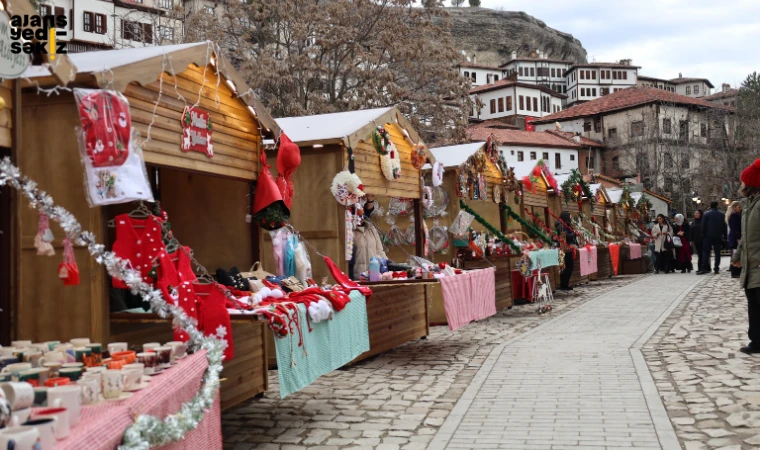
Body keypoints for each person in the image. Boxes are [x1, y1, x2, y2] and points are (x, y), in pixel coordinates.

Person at [731, 158, 760, 354]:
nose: (741, 184)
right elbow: (746, 237)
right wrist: (737, 256)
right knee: (754, 305)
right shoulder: (749, 206)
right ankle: (756, 341)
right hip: (751, 266)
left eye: (743, 181)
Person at [699, 201, 727, 275]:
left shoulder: (706, 214)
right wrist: (725, 236)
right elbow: (724, 226)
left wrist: (702, 234)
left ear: (710, 206)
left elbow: (703, 226)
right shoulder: (721, 215)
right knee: (717, 253)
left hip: (707, 236)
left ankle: (704, 267)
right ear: (717, 206)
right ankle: (716, 268)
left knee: (706, 253)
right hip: (718, 236)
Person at [555, 211, 577, 291]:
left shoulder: (563, 225)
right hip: (564, 249)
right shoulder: (562, 226)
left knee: (565, 267)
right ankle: (564, 284)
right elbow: (566, 237)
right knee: (569, 266)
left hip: (565, 249)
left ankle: (564, 284)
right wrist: (575, 234)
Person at [728, 201, 743, 278]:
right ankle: (735, 271)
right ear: (734, 207)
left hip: (736, 236)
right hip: (735, 238)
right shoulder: (734, 215)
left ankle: (736, 270)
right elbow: (735, 228)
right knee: (736, 254)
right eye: (739, 207)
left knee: (737, 254)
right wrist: (738, 238)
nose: (740, 208)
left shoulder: (737, 215)